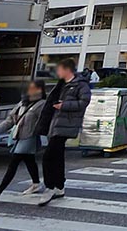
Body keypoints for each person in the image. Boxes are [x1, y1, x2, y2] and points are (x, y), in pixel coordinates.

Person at [0, 80, 47, 203]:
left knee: (14, 162)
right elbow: (10, 119)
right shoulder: (22, 102)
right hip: (19, 136)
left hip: (30, 137)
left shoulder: (41, 104)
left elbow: (45, 121)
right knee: (29, 160)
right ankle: (36, 183)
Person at [37, 58, 91, 205]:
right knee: (58, 156)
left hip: (66, 124)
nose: (58, 72)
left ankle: (50, 187)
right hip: (55, 123)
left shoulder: (80, 85)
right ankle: (59, 186)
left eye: (60, 69)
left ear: (67, 70)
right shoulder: (61, 84)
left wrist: (64, 105)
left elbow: (84, 102)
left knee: (48, 156)